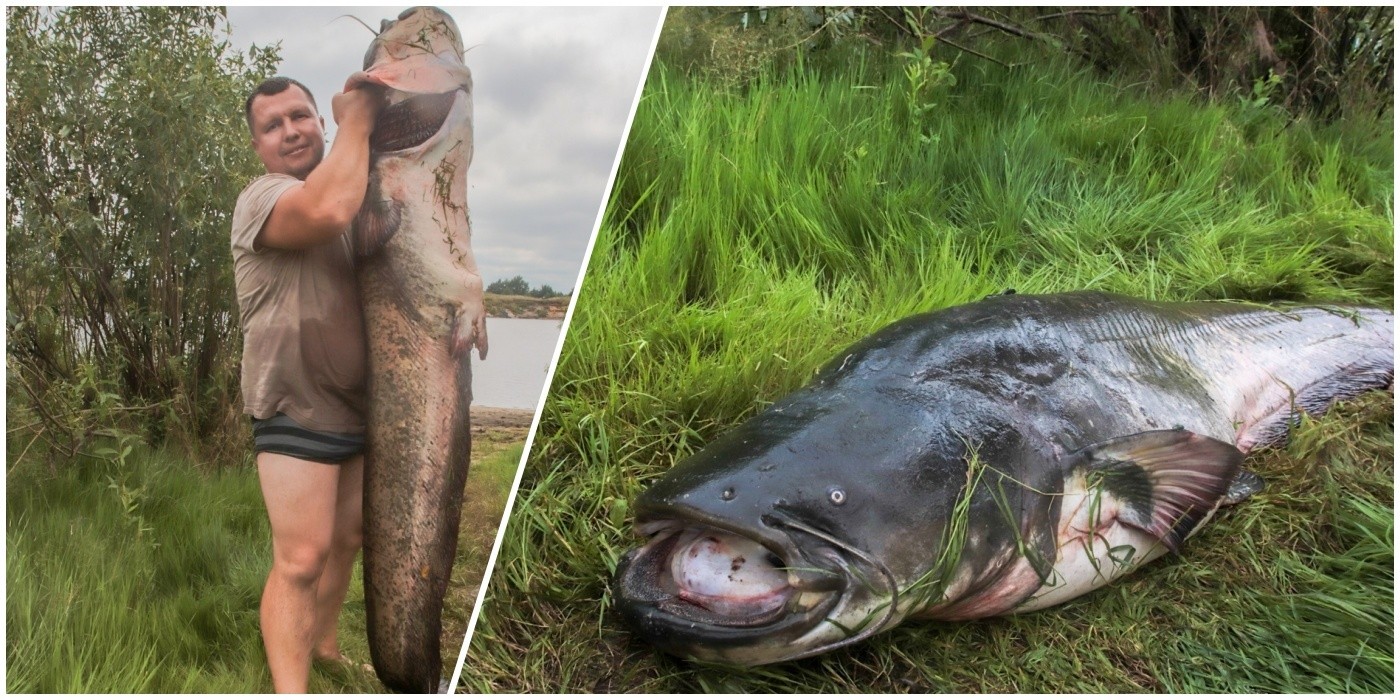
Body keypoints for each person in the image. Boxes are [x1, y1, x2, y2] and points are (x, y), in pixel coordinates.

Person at [230, 75, 382, 693]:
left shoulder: (353, 192)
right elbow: (324, 210)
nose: (290, 131)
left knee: (345, 541)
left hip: (355, 407)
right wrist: (361, 119)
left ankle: (323, 646)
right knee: (300, 560)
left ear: (319, 121)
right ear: (259, 146)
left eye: (301, 115)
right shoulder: (263, 198)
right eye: (273, 125)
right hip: (293, 402)